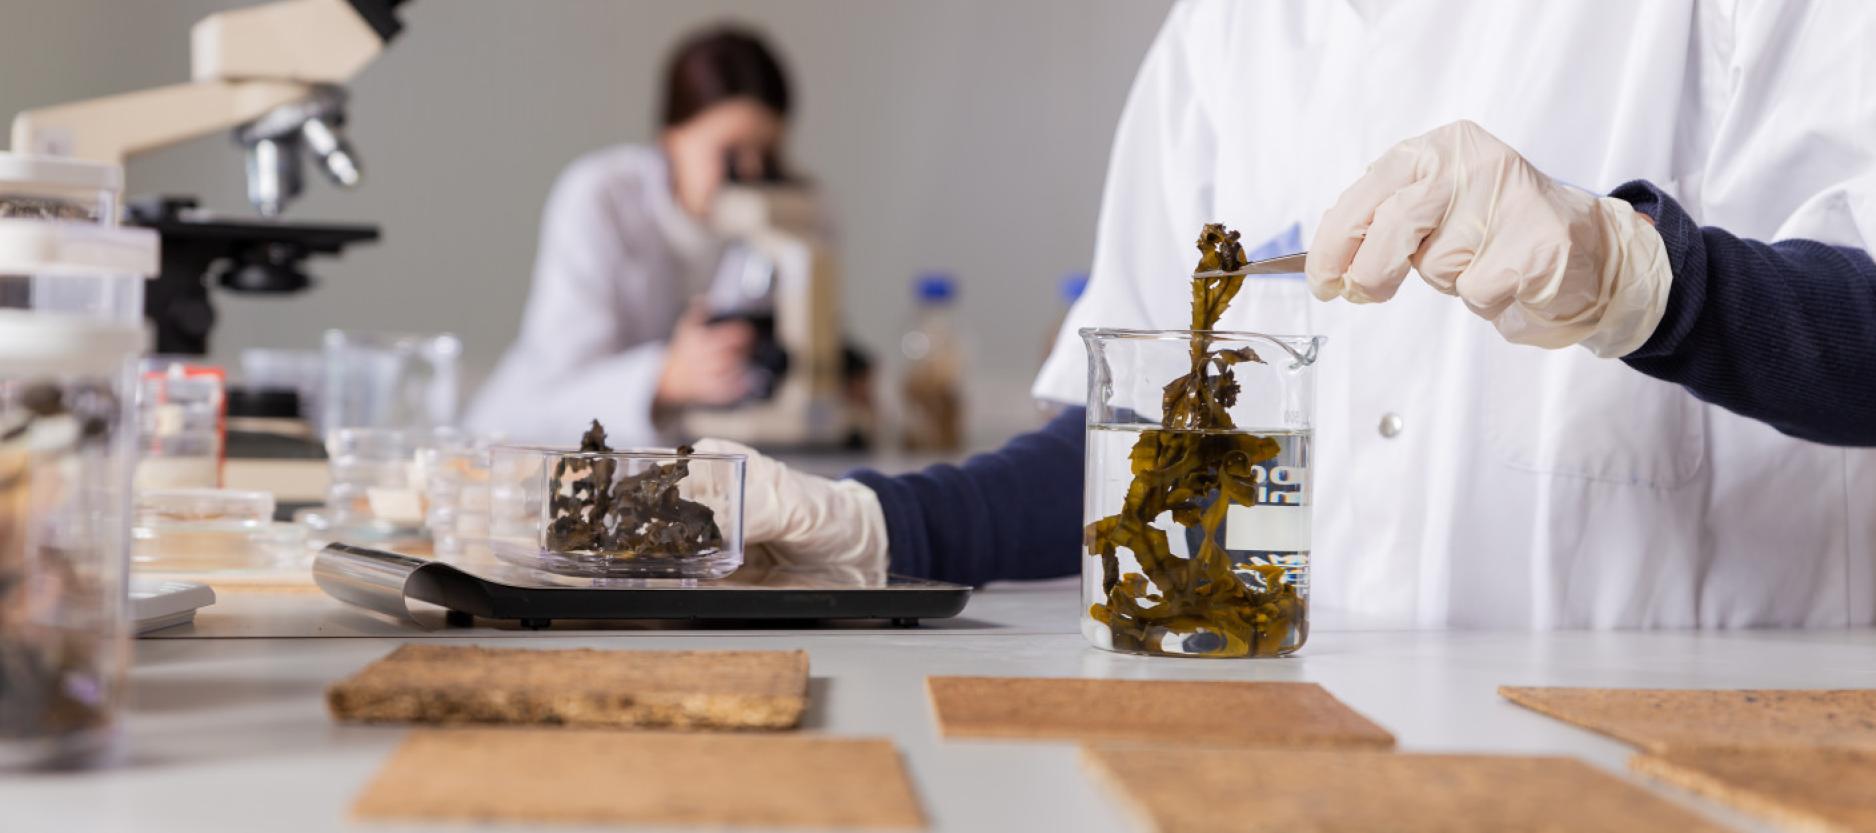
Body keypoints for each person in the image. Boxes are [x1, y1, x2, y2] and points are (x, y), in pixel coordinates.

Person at [701, 0, 1876, 630]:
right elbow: (1132, 448)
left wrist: (1641, 277)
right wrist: (878, 531)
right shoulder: (1226, 32)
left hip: (1696, 758)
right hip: (1316, 750)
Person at [467, 26, 791, 445]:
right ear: (671, 138)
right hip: (529, 443)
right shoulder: (603, 195)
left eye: (767, 154)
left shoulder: (789, 215)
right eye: (730, 153)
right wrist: (665, 378)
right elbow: (562, 388)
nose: (751, 173)